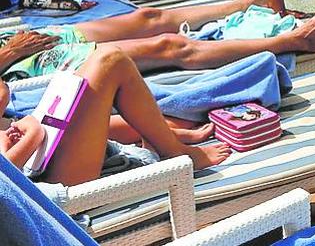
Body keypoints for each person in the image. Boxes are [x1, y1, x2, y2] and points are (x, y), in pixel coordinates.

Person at [0, 0, 315, 82]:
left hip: (23, 39)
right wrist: (10, 54)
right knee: (169, 47)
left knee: (150, 17)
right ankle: (296, 41)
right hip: (23, 66)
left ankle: (242, 2)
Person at [1, 47, 231, 192]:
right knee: (110, 61)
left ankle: (163, 136)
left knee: (90, 82)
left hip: (33, 159)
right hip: (42, 185)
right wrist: (33, 134)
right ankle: (175, 151)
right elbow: (6, 179)